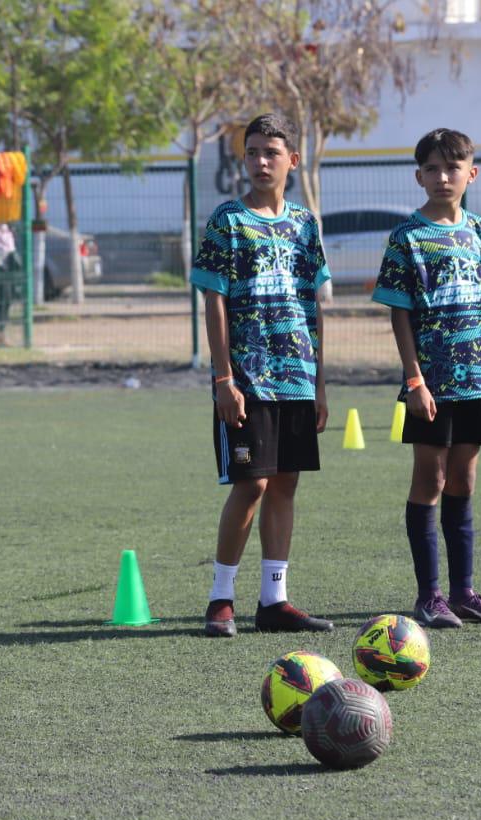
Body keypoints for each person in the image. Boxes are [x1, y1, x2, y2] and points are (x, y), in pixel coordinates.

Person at [191, 113, 333, 638]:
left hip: (297, 377)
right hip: (248, 380)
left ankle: (274, 600)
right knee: (251, 485)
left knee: (286, 485)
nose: (260, 162)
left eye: (271, 153)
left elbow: (315, 306)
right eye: (252, 152)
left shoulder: (305, 224)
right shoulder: (228, 221)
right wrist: (223, 379)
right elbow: (215, 300)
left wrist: (319, 383)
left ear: (292, 161)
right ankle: (220, 599)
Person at [370, 128, 481, 628]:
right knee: (430, 478)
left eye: (452, 168)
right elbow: (398, 313)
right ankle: (428, 596)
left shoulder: (480, 231)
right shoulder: (406, 237)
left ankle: (464, 593)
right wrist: (414, 380)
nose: (442, 176)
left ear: (470, 173)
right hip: (432, 381)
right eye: (432, 168)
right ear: (419, 176)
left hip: (477, 377)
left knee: (464, 480)